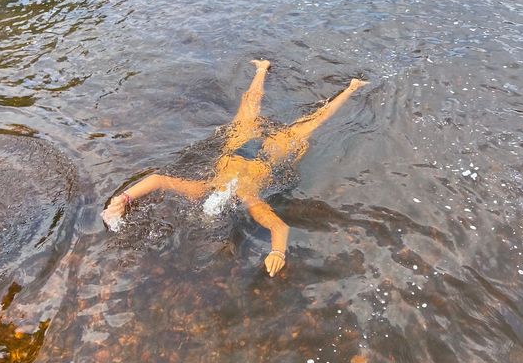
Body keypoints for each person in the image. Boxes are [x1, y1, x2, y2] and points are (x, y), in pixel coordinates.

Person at [101, 60, 367, 277]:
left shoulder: (204, 189)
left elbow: (159, 179)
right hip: (269, 155)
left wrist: (123, 198)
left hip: (237, 148)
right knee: (313, 122)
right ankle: (351, 88)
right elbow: (279, 228)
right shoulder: (248, 199)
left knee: (249, 106)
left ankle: (263, 68)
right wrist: (277, 252)